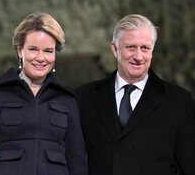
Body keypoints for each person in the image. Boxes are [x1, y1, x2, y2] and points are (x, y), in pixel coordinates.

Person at [0, 12, 88, 175]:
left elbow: (77, 163)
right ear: (19, 51)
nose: (40, 58)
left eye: (48, 51)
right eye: (33, 49)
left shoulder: (67, 99)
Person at [76, 14, 195, 175]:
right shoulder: (85, 98)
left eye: (145, 48)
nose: (139, 57)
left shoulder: (178, 101)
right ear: (115, 49)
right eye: (131, 47)